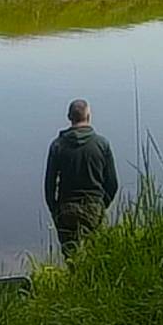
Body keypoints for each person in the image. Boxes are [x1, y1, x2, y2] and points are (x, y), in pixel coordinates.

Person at [44, 98, 119, 258]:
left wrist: (55, 210)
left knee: (72, 258)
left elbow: (49, 186)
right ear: (88, 116)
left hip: (66, 209)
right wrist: (101, 205)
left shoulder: (57, 145)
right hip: (93, 208)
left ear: (69, 117)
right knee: (94, 255)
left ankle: (74, 280)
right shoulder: (102, 144)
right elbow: (112, 184)